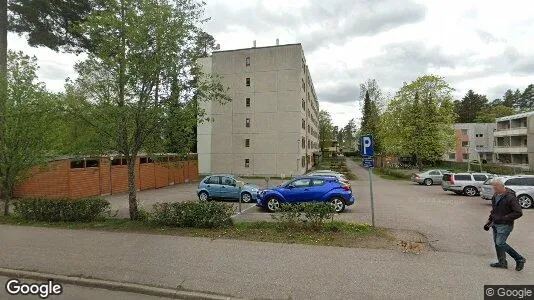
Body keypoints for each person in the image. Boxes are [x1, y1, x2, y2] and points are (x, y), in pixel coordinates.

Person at [484, 177, 525, 271]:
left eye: (495, 187)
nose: (493, 189)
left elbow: (518, 212)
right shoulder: (495, 195)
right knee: (497, 244)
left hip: (505, 225)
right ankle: (502, 262)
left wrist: (504, 218)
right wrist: (490, 220)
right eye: (493, 186)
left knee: (500, 242)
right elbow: (494, 210)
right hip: (495, 223)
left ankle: (519, 259)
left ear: (501, 186)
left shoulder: (510, 197)